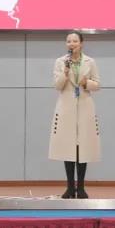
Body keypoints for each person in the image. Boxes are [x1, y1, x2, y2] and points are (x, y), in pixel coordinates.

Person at [48, 30, 101, 199]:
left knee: (83, 148)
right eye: (68, 41)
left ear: (81, 43)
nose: (71, 44)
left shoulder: (90, 61)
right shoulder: (60, 62)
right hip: (66, 108)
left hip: (85, 107)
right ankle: (70, 187)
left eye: (75, 41)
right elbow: (57, 86)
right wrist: (64, 73)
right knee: (68, 147)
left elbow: (97, 85)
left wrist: (86, 82)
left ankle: (81, 187)